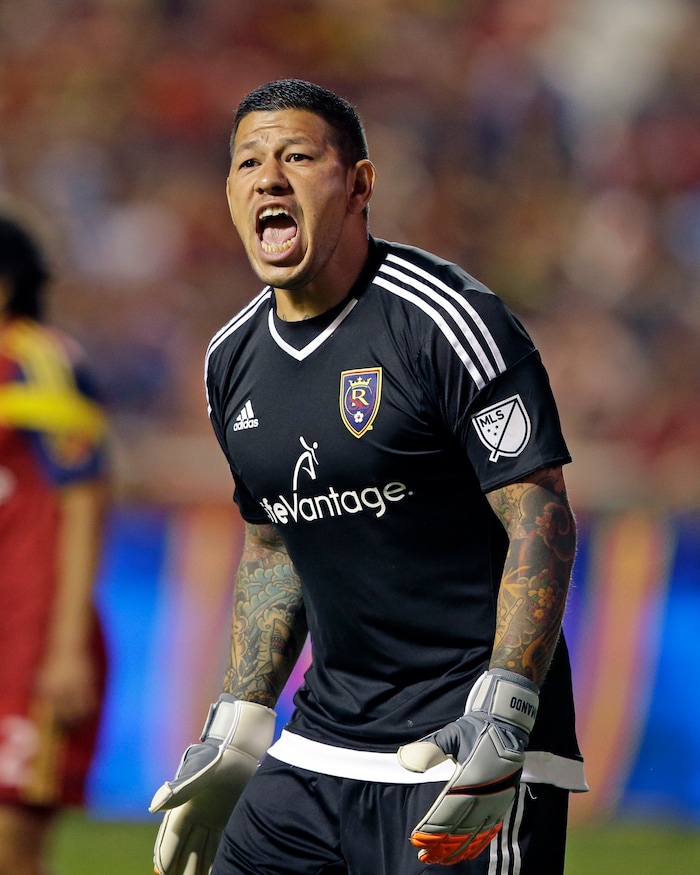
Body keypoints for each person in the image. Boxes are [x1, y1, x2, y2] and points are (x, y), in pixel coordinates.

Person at [150, 78, 587, 875]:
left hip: (463, 745)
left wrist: (508, 709)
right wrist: (238, 724)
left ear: (359, 185)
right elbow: (274, 545)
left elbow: (539, 513)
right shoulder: (231, 360)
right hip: (320, 744)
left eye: (297, 157)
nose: (268, 178)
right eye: (248, 162)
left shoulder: (447, 321)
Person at [0, 214, 110, 875]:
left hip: (28, 640)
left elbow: (84, 497)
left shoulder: (37, 363)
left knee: (10, 843)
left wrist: (66, 646)